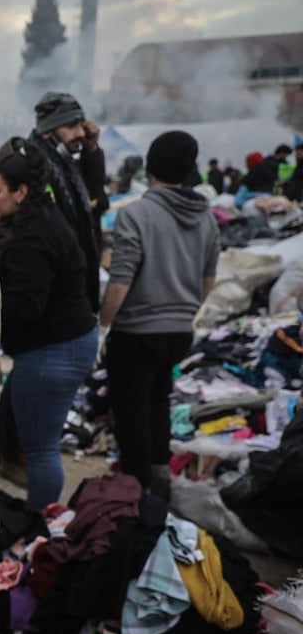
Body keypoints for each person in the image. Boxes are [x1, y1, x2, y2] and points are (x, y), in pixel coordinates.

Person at [101, 131, 220, 498]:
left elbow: (120, 281)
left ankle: (135, 490)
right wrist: (182, 309)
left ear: (149, 167)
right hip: (179, 331)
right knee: (157, 402)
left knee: (131, 410)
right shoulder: (208, 219)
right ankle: (158, 477)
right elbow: (208, 281)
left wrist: (103, 325)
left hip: (136, 331)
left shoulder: (136, 214)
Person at [0, 138, 97, 513]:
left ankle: (42, 526)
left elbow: (24, 309)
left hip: (53, 350)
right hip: (69, 340)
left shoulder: (33, 238)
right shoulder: (44, 217)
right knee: (30, 435)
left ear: (21, 191)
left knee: (42, 449)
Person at [30, 91, 106, 312]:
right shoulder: (35, 166)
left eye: (82, 125)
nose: (81, 133)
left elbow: (93, 191)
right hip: (57, 291)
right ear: (48, 132)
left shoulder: (64, 162)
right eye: (72, 126)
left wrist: (91, 150)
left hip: (77, 282)